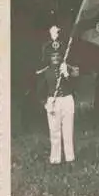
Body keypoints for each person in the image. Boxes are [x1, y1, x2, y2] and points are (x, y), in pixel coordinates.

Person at [36, 28, 79, 165]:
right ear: (49, 57)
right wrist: (45, 103)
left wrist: (67, 74)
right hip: (53, 101)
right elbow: (40, 90)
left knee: (68, 130)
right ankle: (55, 159)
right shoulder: (45, 72)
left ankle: (70, 158)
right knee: (54, 131)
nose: (55, 58)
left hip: (67, 100)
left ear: (61, 56)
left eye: (58, 56)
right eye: (53, 56)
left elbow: (75, 84)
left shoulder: (67, 68)